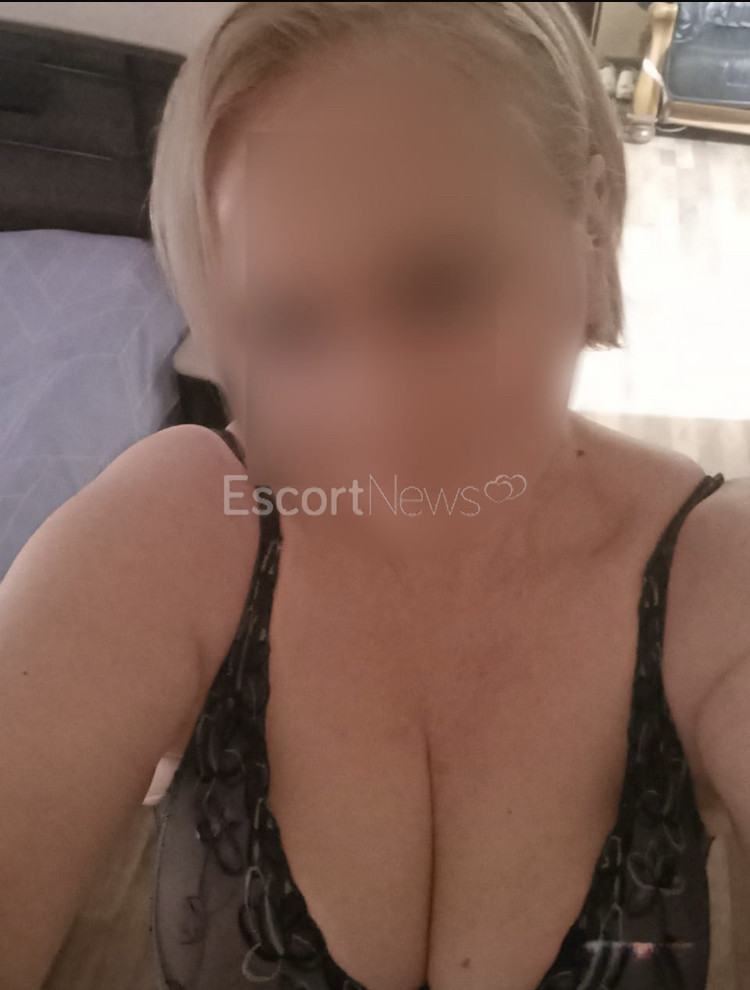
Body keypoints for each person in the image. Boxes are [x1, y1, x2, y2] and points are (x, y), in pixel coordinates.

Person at [1, 4, 748, 989]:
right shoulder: (181, 526)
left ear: (594, 215)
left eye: (441, 288)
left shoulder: (719, 578)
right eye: (288, 323)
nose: (378, 415)